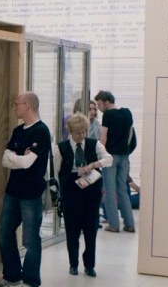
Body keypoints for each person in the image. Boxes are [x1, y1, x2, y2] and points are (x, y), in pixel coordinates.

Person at [0, 91, 51, 287]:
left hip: (31, 194)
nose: (14, 107)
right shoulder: (18, 131)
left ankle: (31, 283)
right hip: (13, 191)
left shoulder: (41, 132)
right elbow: (4, 159)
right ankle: (11, 276)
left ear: (27, 106)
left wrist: (15, 158)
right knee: (5, 234)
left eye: (17, 104)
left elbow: (27, 163)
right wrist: (18, 158)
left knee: (30, 240)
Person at [57, 113, 112, 277]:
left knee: (90, 228)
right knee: (72, 229)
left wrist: (94, 164)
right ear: (70, 132)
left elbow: (109, 159)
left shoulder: (94, 145)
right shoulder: (61, 148)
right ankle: (73, 263)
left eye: (84, 132)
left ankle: (89, 265)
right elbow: (57, 171)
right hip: (71, 191)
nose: (81, 136)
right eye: (78, 133)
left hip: (91, 191)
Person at [95, 90, 137, 233]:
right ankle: (129, 223)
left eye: (99, 104)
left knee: (110, 190)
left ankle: (114, 224)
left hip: (110, 156)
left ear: (106, 102)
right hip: (124, 156)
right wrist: (127, 150)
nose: (99, 108)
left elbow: (104, 137)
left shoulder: (108, 115)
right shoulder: (127, 112)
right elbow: (131, 135)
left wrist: (100, 155)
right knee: (123, 189)